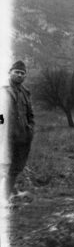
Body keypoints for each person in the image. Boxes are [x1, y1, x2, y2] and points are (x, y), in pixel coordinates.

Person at [3, 60, 35, 197]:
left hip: (22, 138)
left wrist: (30, 130)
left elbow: (30, 115)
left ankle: (6, 195)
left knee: (16, 168)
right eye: (17, 72)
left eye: (22, 73)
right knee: (2, 167)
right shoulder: (3, 90)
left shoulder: (25, 92)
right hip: (5, 137)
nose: (20, 75)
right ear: (10, 72)